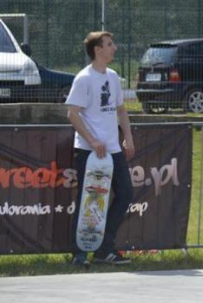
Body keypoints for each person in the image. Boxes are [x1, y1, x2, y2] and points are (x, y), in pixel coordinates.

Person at [67, 31, 135, 266]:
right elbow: (72, 114)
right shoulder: (84, 78)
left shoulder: (113, 77)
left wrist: (127, 138)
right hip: (89, 151)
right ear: (97, 50)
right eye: (109, 44)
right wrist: (92, 141)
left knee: (125, 193)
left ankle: (104, 249)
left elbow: (121, 110)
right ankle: (79, 254)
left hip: (113, 150)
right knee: (90, 199)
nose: (114, 48)